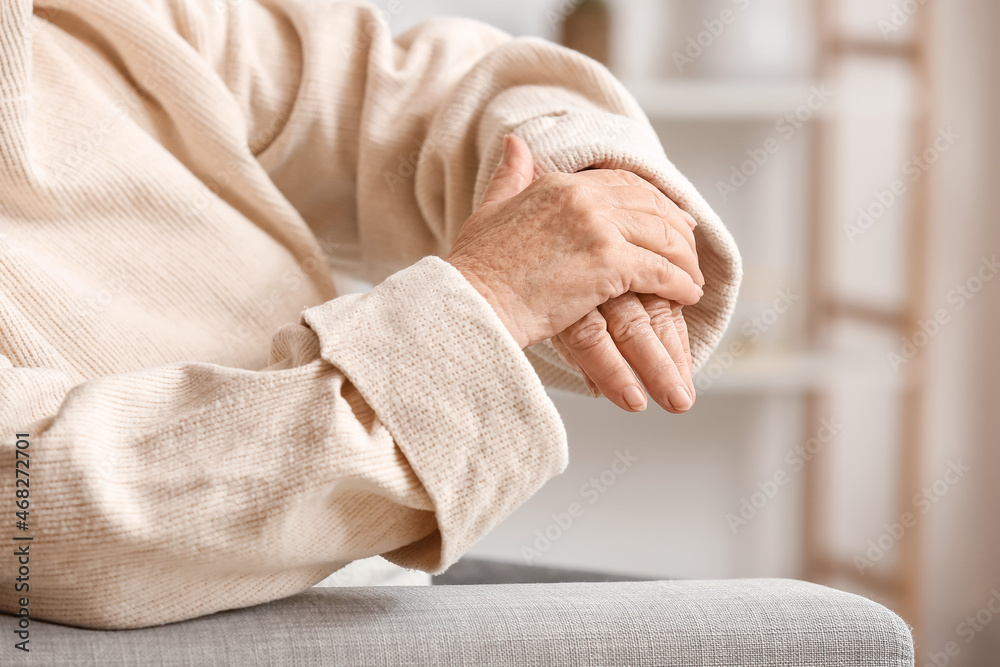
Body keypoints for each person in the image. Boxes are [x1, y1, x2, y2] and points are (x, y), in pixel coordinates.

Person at [0, 0, 740, 630]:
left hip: (371, 598)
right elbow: (51, 502)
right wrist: (492, 297)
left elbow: (382, 91)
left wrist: (586, 189)